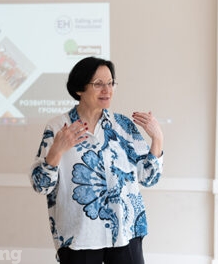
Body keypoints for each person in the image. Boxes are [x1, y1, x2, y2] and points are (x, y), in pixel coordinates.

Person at [30, 56, 164, 264]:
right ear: (79, 89)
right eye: (98, 84)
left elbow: (148, 178)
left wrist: (157, 139)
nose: (107, 90)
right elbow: (41, 186)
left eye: (110, 83)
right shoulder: (57, 128)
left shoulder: (123, 126)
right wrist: (56, 151)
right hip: (79, 236)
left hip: (125, 233)